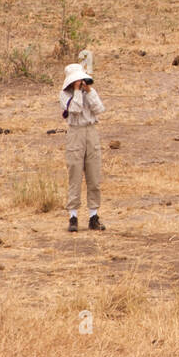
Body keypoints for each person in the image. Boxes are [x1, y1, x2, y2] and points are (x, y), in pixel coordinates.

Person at [60, 63, 105, 232]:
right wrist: (77, 91)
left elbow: (100, 109)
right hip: (75, 133)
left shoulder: (89, 92)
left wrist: (89, 92)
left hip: (91, 132)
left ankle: (94, 216)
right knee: (75, 176)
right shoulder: (65, 95)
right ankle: (73, 217)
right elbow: (76, 109)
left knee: (94, 176)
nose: (80, 82)